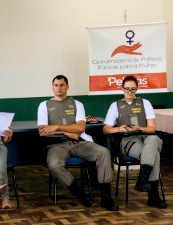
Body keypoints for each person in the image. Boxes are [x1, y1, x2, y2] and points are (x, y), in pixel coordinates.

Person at [37, 75, 118, 211]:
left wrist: (56, 127)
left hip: (80, 142)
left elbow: (80, 128)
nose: (59, 88)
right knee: (54, 164)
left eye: (62, 85)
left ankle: (106, 197)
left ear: (67, 87)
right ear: (52, 87)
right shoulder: (44, 105)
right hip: (57, 145)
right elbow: (43, 131)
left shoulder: (77, 104)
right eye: (56, 85)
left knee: (103, 152)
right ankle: (80, 194)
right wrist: (68, 132)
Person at [103, 75, 167, 209]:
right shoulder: (115, 105)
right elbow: (106, 130)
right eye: (127, 89)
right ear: (122, 89)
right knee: (155, 154)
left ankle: (143, 180)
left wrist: (140, 128)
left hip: (147, 137)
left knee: (153, 139)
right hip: (128, 141)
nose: (130, 92)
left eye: (133, 89)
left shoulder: (145, 103)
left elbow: (152, 129)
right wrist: (118, 128)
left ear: (137, 89)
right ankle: (153, 196)